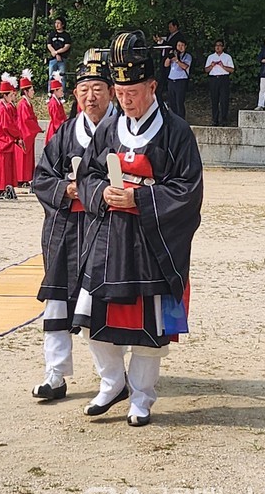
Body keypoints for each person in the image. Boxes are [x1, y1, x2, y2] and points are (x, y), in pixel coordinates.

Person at [74, 30, 203, 426]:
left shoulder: (176, 131)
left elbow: (188, 190)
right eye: (120, 91)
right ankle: (112, 382)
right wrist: (101, 194)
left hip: (151, 242)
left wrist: (142, 199)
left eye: (133, 91)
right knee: (92, 317)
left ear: (151, 86)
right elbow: (89, 175)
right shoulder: (109, 130)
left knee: (150, 326)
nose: (125, 99)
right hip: (110, 239)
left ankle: (142, 396)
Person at [32, 49, 116, 401]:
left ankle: (111, 377)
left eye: (97, 88)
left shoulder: (122, 130)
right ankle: (55, 374)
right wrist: (66, 188)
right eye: (83, 89)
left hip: (105, 227)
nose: (90, 96)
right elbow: (41, 177)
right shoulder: (66, 133)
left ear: (111, 91)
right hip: (65, 226)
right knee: (57, 300)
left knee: (96, 302)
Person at [0, 73, 23, 198]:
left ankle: (3, 187)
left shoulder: (4, 106)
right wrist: (18, 136)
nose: (13, 97)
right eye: (11, 95)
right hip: (0, 138)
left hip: (3, 138)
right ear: (5, 95)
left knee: (4, 165)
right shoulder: (2, 108)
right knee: (1, 165)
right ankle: (0, 188)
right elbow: (7, 125)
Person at [15, 69, 43, 187]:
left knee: (27, 157)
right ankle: (21, 179)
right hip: (24, 132)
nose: (33, 92)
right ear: (26, 91)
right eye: (31, 90)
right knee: (23, 157)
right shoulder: (22, 104)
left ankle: (26, 178)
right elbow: (26, 120)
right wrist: (36, 127)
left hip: (28, 132)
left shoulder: (27, 103)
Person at [204, 40, 234, 126]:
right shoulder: (210, 57)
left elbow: (232, 70)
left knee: (224, 99)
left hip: (223, 78)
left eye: (220, 45)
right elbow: (206, 70)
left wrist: (223, 66)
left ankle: (224, 119)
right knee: (214, 99)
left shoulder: (227, 57)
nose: (218, 47)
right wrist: (212, 66)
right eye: (216, 45)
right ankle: (215, 119)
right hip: (213, 79)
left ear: (223, 47)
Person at [154, 19, 185, 90]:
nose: (169, 29)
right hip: (164, 57)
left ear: (175, 26)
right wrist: (159, 40)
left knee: (167, 74)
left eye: (171, 27)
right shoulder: (169, 35)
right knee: (162, 74)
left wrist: (162, 41)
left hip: (171, 58)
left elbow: (171, 45)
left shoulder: (179, 36)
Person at [164, 38, 191, 120]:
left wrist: (176, 60)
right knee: (172, 102)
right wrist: (169, 57)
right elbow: (166, 65)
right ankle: (174, 119)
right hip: (171, 81)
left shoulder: (187, 56)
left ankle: (181, 119)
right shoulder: (174, 54)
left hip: (181, 81)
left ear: (185, 46)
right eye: (179, 45)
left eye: (182, 45)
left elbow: (185, 66)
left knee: (179, 101)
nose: (180, 47)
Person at [47, 17, 72, 92]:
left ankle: (62, 94)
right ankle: (50, 93)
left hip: (62, 59)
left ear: (63, 24)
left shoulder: (66, 35)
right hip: (52, 59)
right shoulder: (52, 34)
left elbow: (67, 46)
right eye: (55, 23)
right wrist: (54, 53)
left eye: (58, 23)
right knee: (51, 77)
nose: (56, 25)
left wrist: (57, 52)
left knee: (62, 77)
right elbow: (49, 45)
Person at [45, 72, 66, 144]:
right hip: (55, 129)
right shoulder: (53, 103)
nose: (62, 93)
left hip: (57, 127)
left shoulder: (57, 101)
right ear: (55, 91)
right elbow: (57, 119)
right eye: (60, 91)